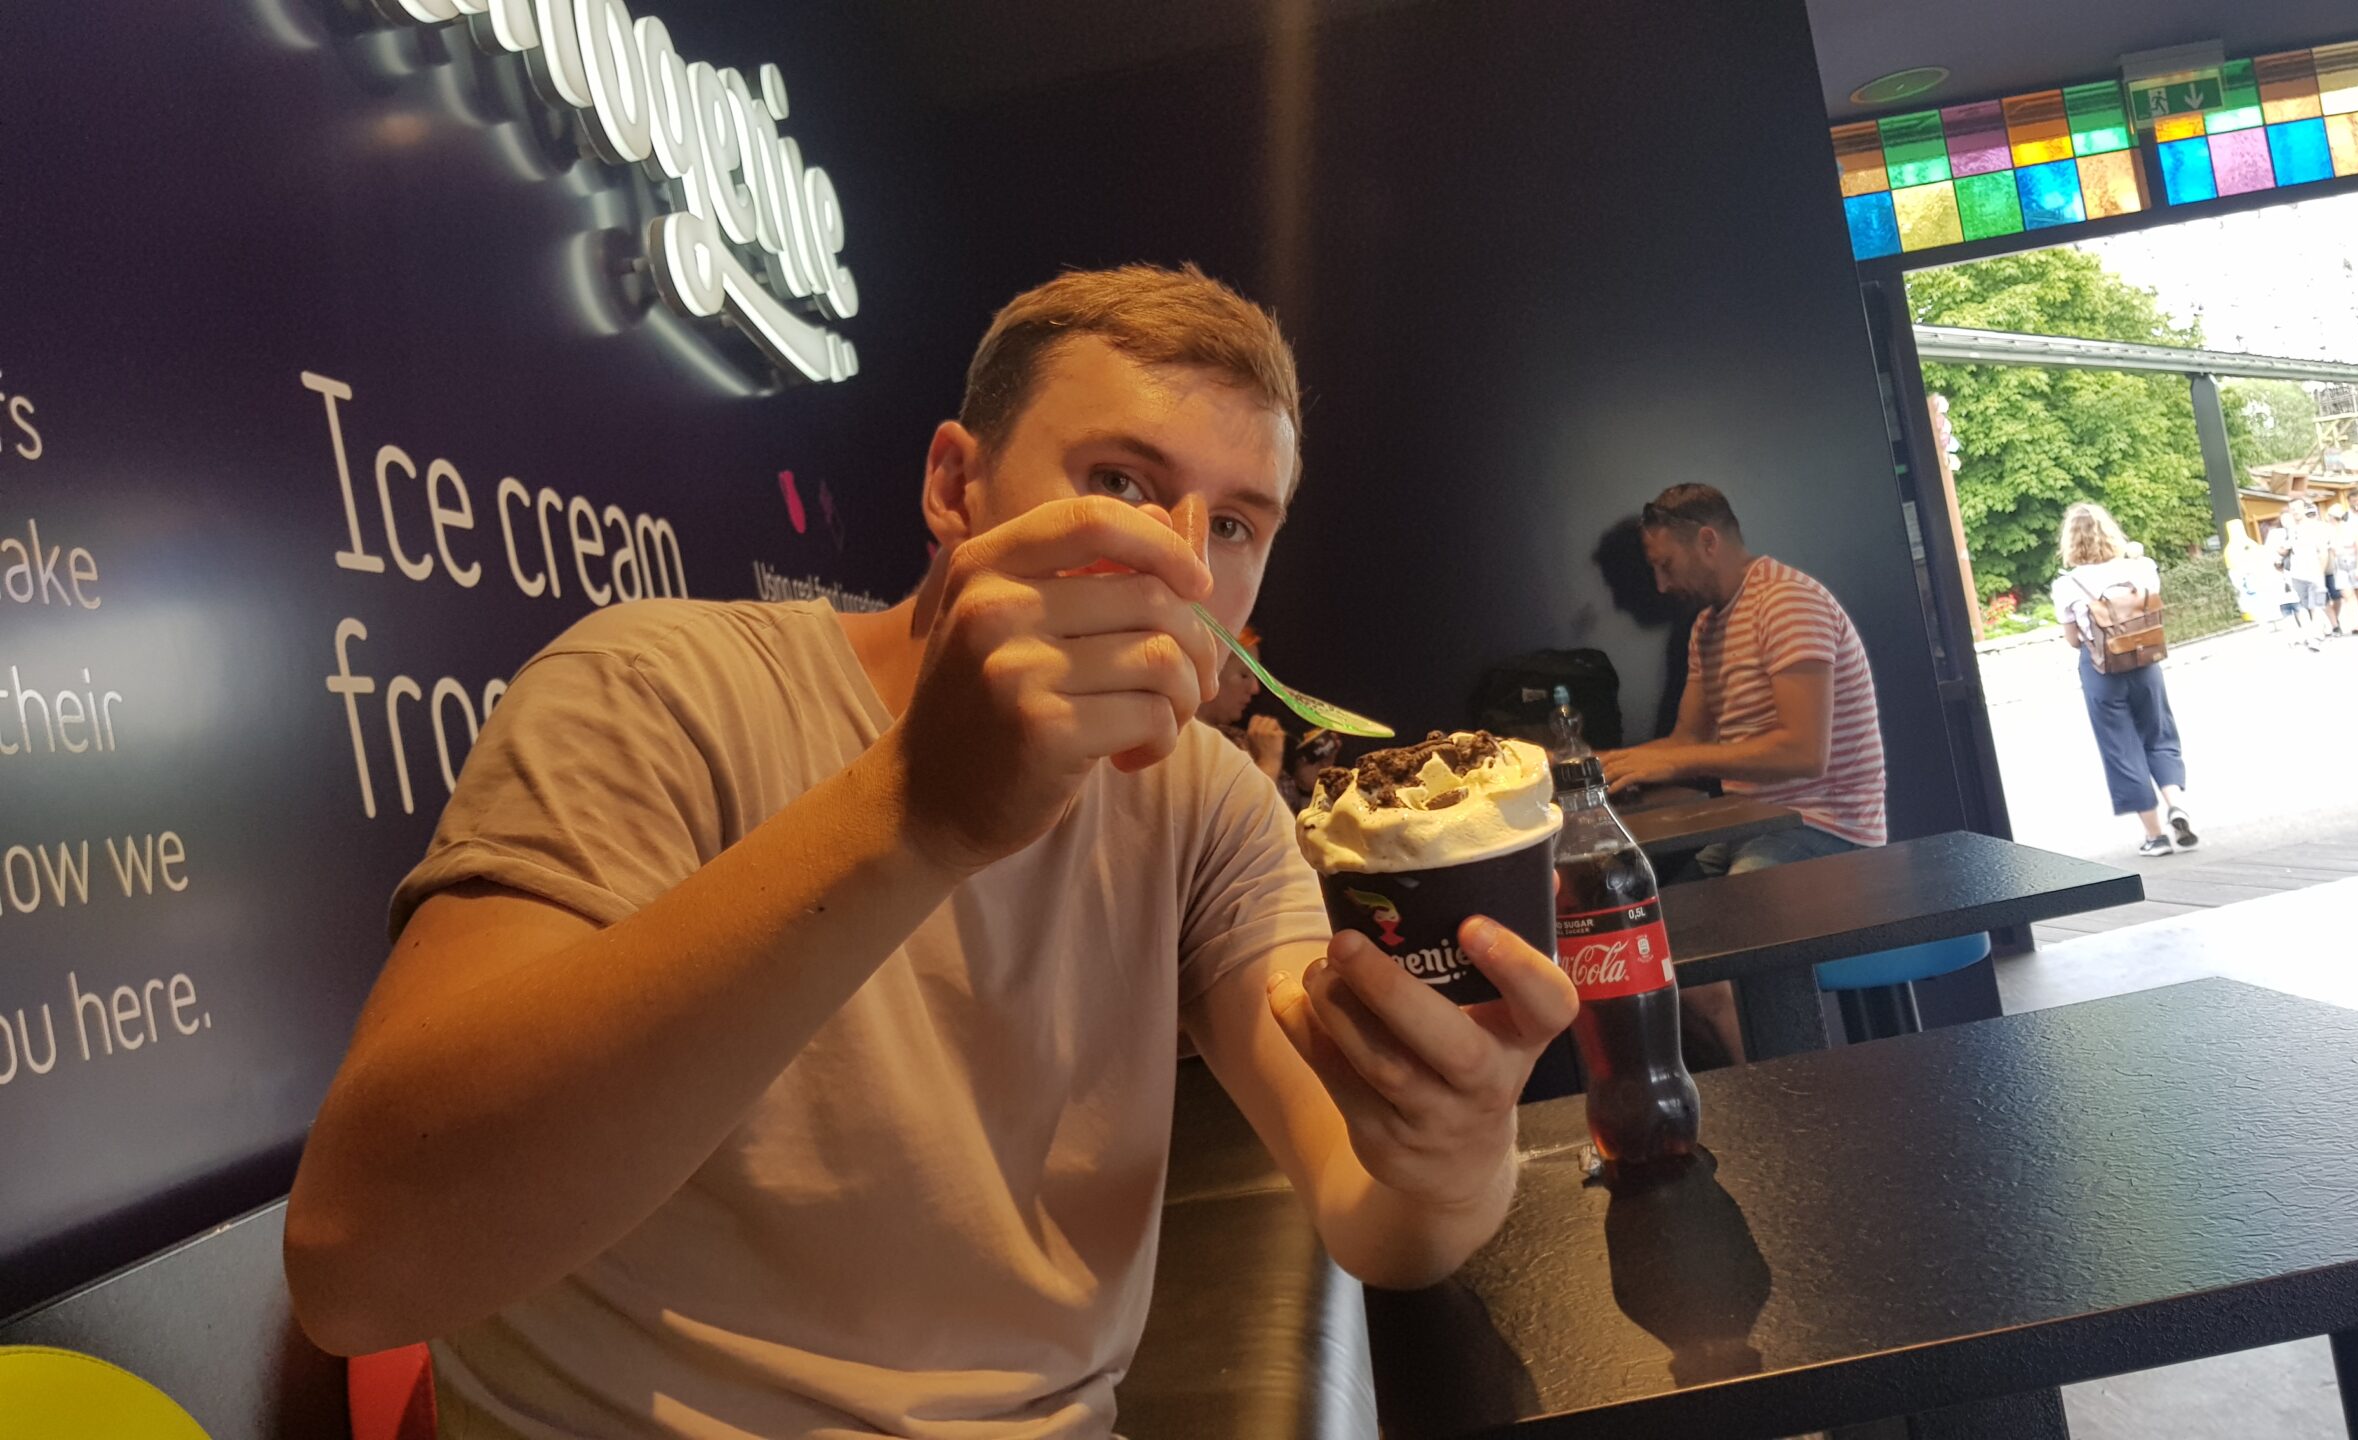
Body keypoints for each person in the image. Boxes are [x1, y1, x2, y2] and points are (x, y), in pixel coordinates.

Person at [283, 265, 1580, 1438]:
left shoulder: (1205, 802)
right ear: (956, 487)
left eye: (1235, 525)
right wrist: (920, 815)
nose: (1179, 564)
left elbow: (1375, 1211)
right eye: (1122, 484)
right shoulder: (652, 690)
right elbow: (359, 1265)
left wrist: (1453, 1147)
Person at [1595, 483, 1886, 1065]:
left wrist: (1673, 760)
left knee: (1710, 976)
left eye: (1665, 565)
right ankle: (1759, 1086)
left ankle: (1787, 1097)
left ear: (1707, 540)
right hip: (1751, 827)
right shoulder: (1708, 626)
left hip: (1825, 828)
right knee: (1650, 951)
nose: (1661, 586)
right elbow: (1686, 743)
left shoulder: (1787, 602)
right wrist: (1603, 770)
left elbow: (1804, 753)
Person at [2053, 501, 2196, 859]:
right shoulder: (2142, 569)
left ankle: (2155, 837)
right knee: (2159, 734)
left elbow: (2074, 641)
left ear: (2070, 540)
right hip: (2146, 662)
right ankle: (2176, 804)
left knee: (2121, 748)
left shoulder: (2068, 585)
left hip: (2101, 671)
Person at [1201, 622, 1288, 783]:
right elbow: (1240, 801)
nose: (1255, 689)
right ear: (1210, 671)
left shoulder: (1236, 740)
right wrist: (1268, 763)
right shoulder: (1180, 744)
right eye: (1244, 675)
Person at [2274, 499, 2331, 649]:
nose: (2295, 511)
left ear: (2304, 509)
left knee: (2316, 605)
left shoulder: (2314, 527)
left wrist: (2320, 572)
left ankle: (2315, 637)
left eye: (2297, 508)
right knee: (2304, 607)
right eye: (2292, 509)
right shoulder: (2292, 529)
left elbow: (2323, 552)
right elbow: (2285, 549)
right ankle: (2316, 634)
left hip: (2314, 571)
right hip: (2297, 573)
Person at [2326, 501, 2358, 635]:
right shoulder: (2329, 531)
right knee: (2347, 594)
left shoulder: (2351, 527)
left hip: (2354, 560)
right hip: (2340, 564)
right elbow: (2331, 550)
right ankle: (2355, 623)